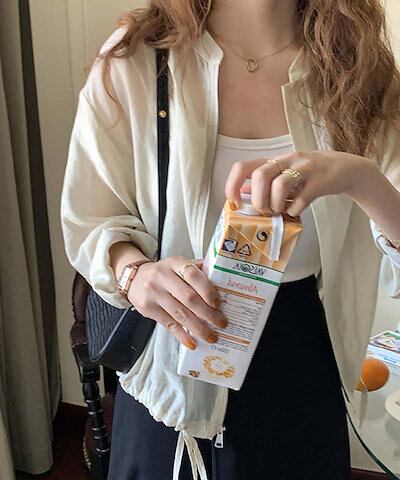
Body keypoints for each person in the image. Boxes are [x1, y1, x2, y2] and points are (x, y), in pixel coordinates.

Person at [60, 1, 400, 479]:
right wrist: (135, 274)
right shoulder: (138, 57)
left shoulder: (357, 66)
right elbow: (90, 218)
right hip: (173, 353)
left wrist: (359, 178)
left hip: (302, 356)